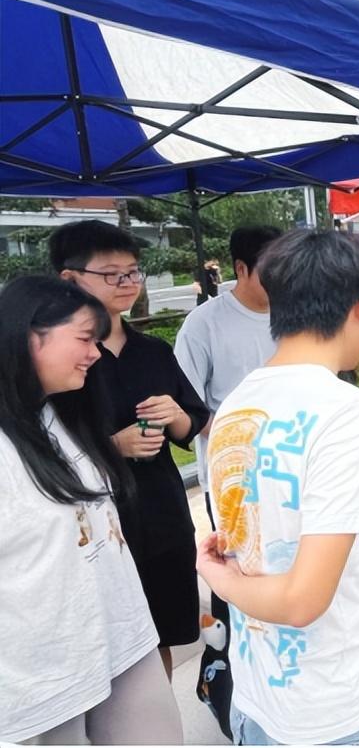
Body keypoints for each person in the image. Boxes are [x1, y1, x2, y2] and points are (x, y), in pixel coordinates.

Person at [196, 230, 359, 745]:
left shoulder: (234, 407)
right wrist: (216, 578)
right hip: (344, 706)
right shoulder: (348, 413)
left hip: (260, 699)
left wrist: (223, 576)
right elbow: (303, 600)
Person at [0, 276, 183, 745]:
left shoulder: (61, 414)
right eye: (84, 338)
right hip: (43, 671)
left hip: (120, 633)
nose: (95, 354)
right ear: (27, 335)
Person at [50, 220, 210, 680]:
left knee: (162, 631)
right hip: (98, 523)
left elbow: (192, 422)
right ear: (69, 278)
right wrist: (112, 447)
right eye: (111, 274)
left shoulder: (152, 351)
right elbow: (45, 444)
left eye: (133, 272)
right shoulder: (60, 360)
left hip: (161, 511)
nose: (127, 283)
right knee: (107, 640)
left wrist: (175, 415)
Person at [174, 224, 282, 736]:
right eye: (272, 269)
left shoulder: (292, 312)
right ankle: (230, 678)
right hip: (236, 483)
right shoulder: (204, 325)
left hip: (291, 473)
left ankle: (281, 669)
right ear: (240, 269)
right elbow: (186, 407)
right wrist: (246, 427)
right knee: (240, 575)